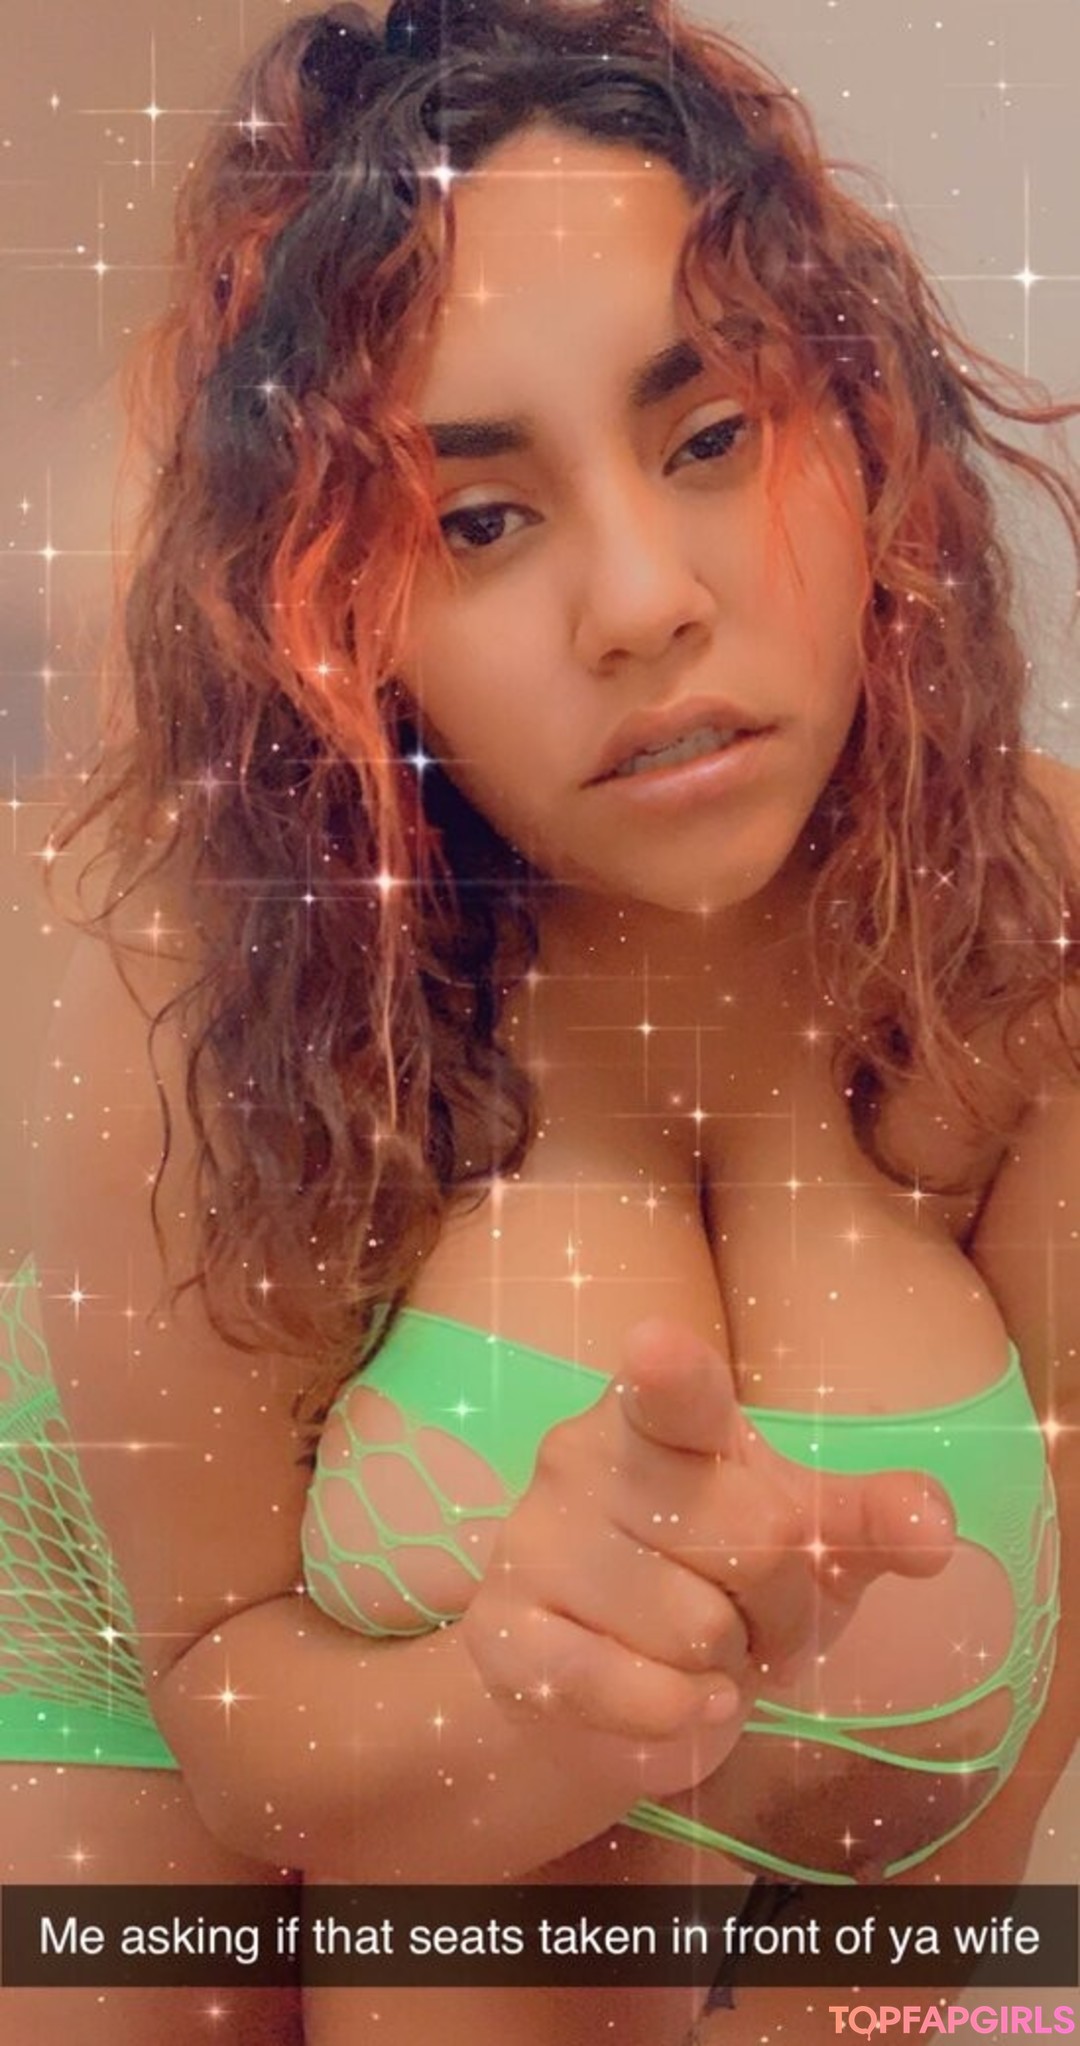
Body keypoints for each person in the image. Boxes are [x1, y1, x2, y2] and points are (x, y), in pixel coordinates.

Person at [9, 0, 1078, 2041]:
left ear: (863, 423)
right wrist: (530, 1705)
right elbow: (228, 1713)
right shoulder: (209, 955)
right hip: (149, 1660)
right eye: (477, 519)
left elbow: (970, 1860)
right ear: (339, 610)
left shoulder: (1029, 922)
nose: (643, 601)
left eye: (711, 435)